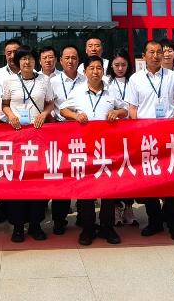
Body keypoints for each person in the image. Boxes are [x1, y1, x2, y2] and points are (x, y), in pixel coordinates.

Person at [61, 55, 127, 246]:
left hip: (107, 149)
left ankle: (107, 227)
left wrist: (116, 112)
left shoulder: (111, 91)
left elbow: (124, 110)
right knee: (86, 189)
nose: (95, 72)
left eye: (99, 68)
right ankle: (88, 228)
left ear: (103, 72)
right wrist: (75, 116)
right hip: (85, 148)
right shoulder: (78, 91)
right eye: (92, 68)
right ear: (85, 72)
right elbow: (63, 110)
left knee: (108, 189)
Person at [127, 40, 174, 241]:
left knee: (171, 181)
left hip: (168, 136)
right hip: (146, 138)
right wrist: (137, 130)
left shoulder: (172, 76)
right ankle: (154, 222)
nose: (155, 56)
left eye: (159, 52)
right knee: (150, 182)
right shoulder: (135, 79)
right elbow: (132, 108)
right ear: (143, 56)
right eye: (151, 52)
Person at [1, 45, 54, 243]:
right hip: (16, 137)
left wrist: (44, 114)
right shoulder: (10, 81)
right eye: (23, 58)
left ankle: (35, 224)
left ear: (35, 61)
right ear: (18, 61)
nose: (27, 62)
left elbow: (50, 102)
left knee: (37, 180)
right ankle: (18, 226)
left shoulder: (44, 80)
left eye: (30, 58)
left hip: (37, 136)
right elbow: (5, 105)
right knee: (17, 180)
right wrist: (11, 116)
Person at [50, 44, 85, 234]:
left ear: (78, 60)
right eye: (67, 58)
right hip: (59, 131)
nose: (71, 61)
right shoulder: (52, 81)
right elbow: (48, 105)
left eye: (74, 57)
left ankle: (83, 215)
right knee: (61, 175)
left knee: (81, 173)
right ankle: (59, 219)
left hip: (81, 130)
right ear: (61, 61)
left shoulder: (85, 79)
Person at [105, 49, 138, 227]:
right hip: (112, 133)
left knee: (129, 170)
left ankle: (129, 207)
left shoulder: (135, 80)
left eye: (123, 65)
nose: (120, 68)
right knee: (115, 171)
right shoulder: (105, 82)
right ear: (111, 65)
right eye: (116, 65)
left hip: (131, 132)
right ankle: (117, 207)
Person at [0, 38, 22, 225]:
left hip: (26, 129)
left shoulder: (31, 72)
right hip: (4, 127)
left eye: (15, 52)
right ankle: (2, 207)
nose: (12, 56)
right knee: (4, 169)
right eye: (9, 53)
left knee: (22, 169)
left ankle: (22, 209)